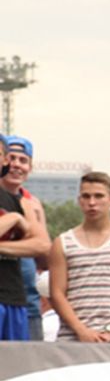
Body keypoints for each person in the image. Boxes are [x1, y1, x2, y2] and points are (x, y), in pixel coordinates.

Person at [48, 172, 110, 344]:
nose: (92, 203)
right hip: (72, 337)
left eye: (99, 196)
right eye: (86, 196)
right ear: (79, 200)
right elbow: (56, 294)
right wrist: (81, 330)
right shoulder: (62, 242)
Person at [0, 136, 51, 341]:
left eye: (23, 160)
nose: (16, 165)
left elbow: (42, 246)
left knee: (21, 359)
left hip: (19, 299)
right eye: (13, 158)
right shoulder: (19, 211)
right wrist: (14, 219)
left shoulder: (27, 203)